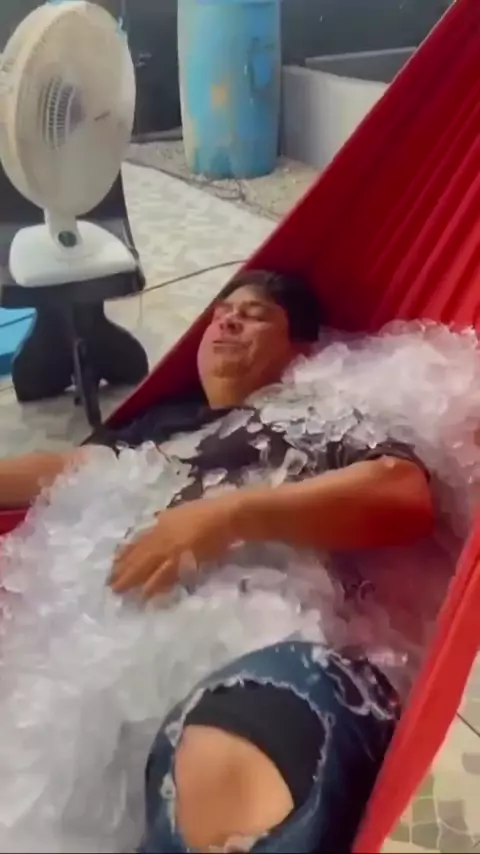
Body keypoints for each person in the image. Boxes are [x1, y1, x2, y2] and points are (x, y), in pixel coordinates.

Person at [0, 270, 433, 853]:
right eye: (221, 313)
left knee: (223, 766)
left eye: (255, 315)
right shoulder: (161, 424)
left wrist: (227, 517)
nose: (227, 321)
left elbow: (402, 493)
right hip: (97, 670)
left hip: (276, 646)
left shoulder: (318, 411)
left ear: (303, 350)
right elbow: (61, 469)